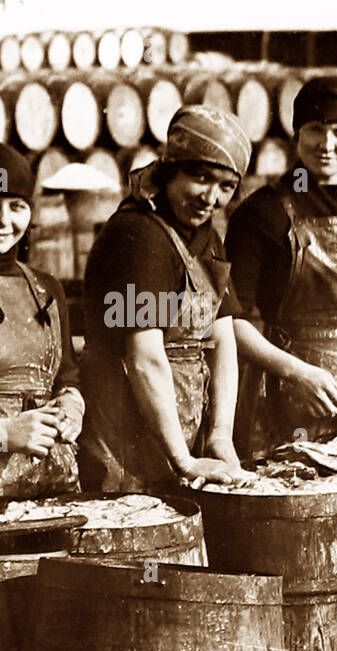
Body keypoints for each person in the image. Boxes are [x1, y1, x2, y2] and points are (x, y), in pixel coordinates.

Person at [226, 77, 337, 456]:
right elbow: (234, 322)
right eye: (315, 130)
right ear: (296, 135)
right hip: (286, 399)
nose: (326, 145)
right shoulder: (260, 213)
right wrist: (296, 373)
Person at [78, 105, 253, 492]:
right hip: (124, 450)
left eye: (226, 186)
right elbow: (145, 359)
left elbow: (222, 338)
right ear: (171, 168)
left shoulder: (206, 236)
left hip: (176, 447)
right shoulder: (138, 237)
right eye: (201, 177)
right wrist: (184, 460)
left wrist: (220, 434)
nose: (211, 197)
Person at [0, 144, 83, 523]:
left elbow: (67, 376)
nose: (3, 220)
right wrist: (4, 432)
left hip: (48, 495)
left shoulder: (46, 288)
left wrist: (73, 404)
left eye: (16, 205)